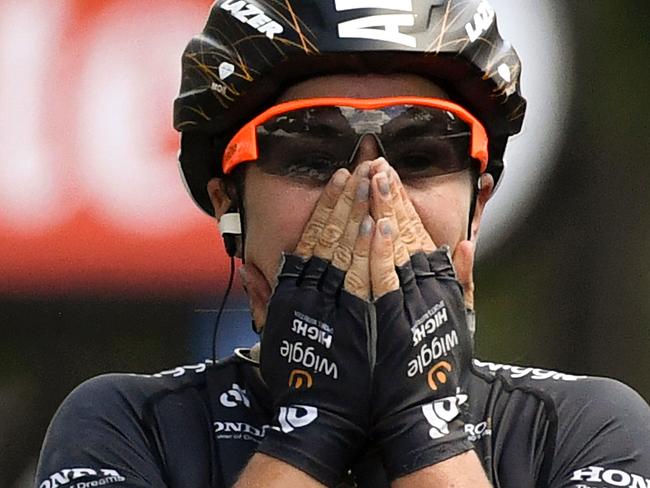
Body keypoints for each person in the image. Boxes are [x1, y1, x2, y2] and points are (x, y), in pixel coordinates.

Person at [35, 1, 650, 487]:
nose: (371, 187)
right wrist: (312, 427)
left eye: (420, 151)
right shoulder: (125, 424)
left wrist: (424, 422)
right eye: (307, 152)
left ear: (477, 208)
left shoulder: (587, 428)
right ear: (231, 209)